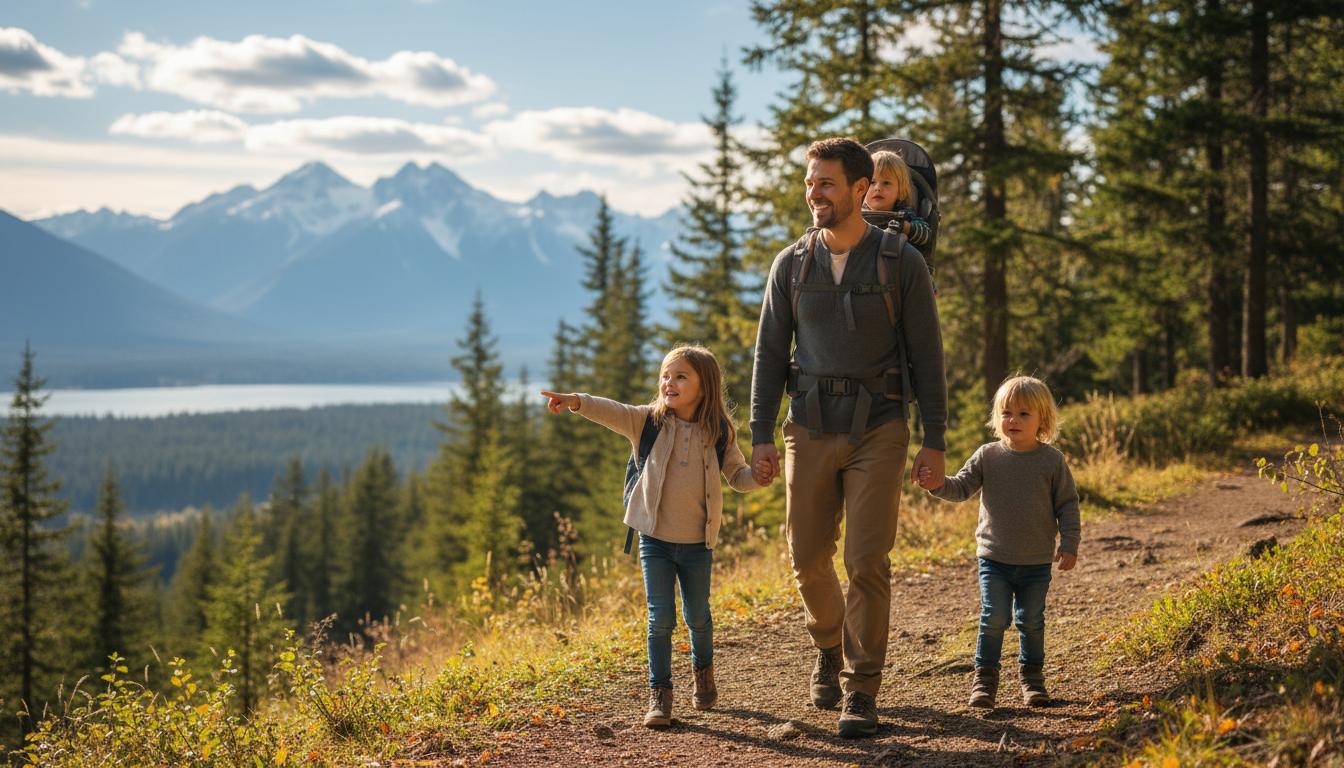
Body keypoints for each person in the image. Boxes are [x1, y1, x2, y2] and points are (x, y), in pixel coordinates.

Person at [750, 137, 947, 738]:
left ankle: (861, 689)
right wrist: (761, 434)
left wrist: (934, 439)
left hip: (879, 427)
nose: (814, 193)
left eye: (826, 183)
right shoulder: (791, 264)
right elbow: (768, 354)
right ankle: (827, 643)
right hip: (807, 425)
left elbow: (928, 356)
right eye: (810, 183)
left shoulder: (901, 263)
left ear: (861, 189)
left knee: (866, 561)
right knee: (807, 558)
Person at [541, 344, 760, 729]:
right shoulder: (648, 422)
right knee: (660, 620)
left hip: (697, 545)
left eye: (680, 377)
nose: (668, 383)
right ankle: (660, 695)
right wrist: (577, 401)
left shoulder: (719, 431)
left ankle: (703, 674)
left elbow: (737, 475)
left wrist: (758, 476)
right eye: (665, 375)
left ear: (705, 386)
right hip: (654, 541)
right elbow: (612, 410)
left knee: (698, 617)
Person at [916, 375, 1080, 709]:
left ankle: (1033, 681)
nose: (1013, 420)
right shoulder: (987, 455)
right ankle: (984, 682)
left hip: (1036, 561)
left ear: (1042, 420)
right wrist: (937, 484)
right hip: (994, 558)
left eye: (1023, 414)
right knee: (993, 618)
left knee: (1031, 621)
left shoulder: (1052, 461)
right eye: (1006, 413)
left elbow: (1067, 505)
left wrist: (1069, 543)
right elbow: (961, 487)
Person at [863, 149, 931, 249]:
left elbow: (926, 236)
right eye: (872, 182)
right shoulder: (856, 215)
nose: (877, 188)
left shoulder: (904, 215)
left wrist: (905, 227)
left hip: (894, 257)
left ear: (900, 192)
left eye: (886, 183)